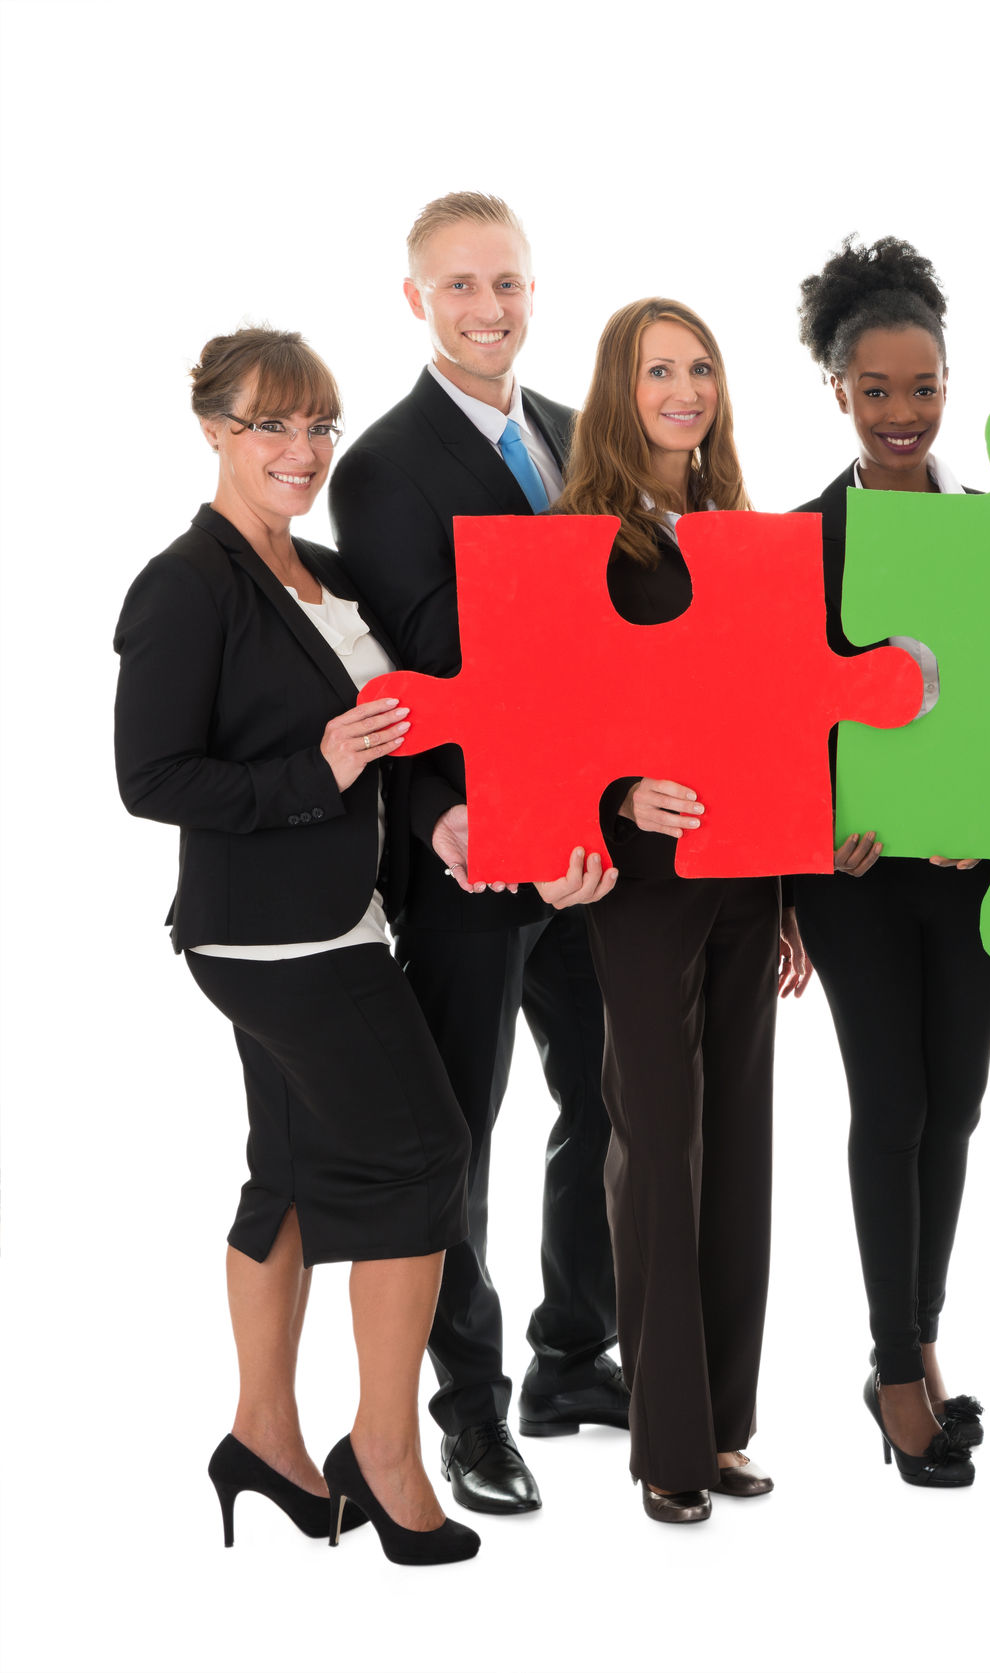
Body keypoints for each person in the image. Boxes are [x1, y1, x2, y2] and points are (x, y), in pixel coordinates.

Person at [118, 330, 576, 1565]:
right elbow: (148, 775)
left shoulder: (314, 571)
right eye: (273, 425)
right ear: (214, 430)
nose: (303, 451)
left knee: (291, 1170)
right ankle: (383, 1452)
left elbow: (399, 733)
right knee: (426, 1148)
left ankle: (263, 1432)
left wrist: (435, 817)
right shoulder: (187, 582)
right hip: (270, 936)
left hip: (342, 913)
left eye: (318, 425)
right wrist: (311, 772)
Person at [328, 191, 622, 1517]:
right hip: (467, 849)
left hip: (584, 838)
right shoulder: (383, 466)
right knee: (461, 1133)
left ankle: (572, 1354)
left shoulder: (570, 434)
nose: (487, 307)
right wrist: (448, 810)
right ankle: (469, 1409)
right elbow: (415, 660)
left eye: (504, 282)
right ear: (416, 302)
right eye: (459, 287)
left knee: (609, 1096)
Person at [556, 297, 799, 1524]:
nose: (684, 390)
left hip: (749, 879)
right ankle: (666, 1443)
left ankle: (726, 1424)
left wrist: (792, 885)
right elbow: (548, 719)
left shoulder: (738, 532)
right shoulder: (581, 539)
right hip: (643, 884)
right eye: (659, 370)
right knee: (655, 1145)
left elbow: (776, 714)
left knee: (738, 1146)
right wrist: (612, 793)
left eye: (700, 368)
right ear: (619, 387)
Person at [787, 236, 990, 1490]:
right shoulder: (800, 541)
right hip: (856, 874)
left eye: (921, 387)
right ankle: (888, 1367)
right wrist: (813, 822)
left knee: (960, 1102)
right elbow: (777, 721)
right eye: (876, 390)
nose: (902, 414)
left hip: (974, 869)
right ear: (837, 391)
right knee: (893, 1102)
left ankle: (922, 1339)